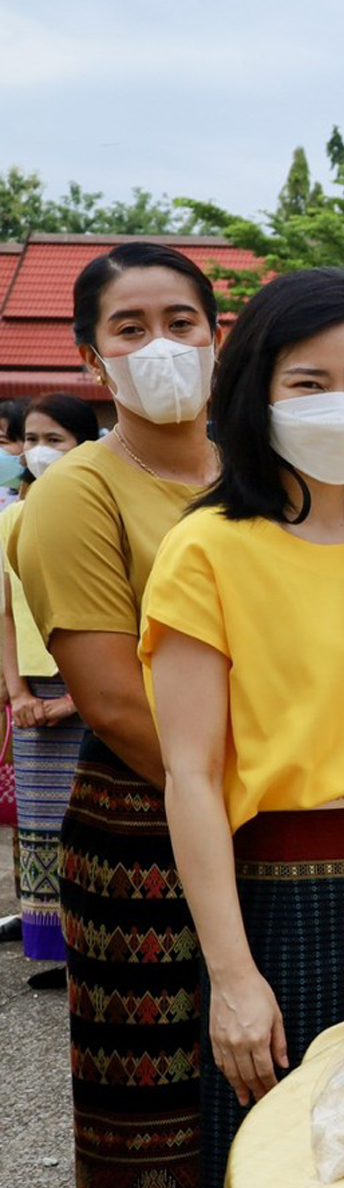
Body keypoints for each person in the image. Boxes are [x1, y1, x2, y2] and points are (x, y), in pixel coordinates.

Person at [140, 267, 344, 1188]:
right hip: (281, 900)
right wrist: (233, 976)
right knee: (281, 1175)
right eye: (307, 380)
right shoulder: (209, 551)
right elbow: (190, 776)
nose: (342, 405)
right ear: (254, 394)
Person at [11, 240, 225, 1188]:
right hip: (145, 829)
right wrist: (244, 801)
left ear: (216, 336)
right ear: (90, 354)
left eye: (181, 322)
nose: (161, 346)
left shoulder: (258, 466)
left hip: (259, 809)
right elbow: (110, 697)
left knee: (257, 1089)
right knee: (149, 1106)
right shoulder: (79, 494)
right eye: (131, 328)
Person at [2, 393, 99, 985]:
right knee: (39, 827)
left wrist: (76, 700)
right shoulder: (12, 518)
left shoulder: (95, 514)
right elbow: (6, 612)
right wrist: (18, 693)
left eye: (54, 440)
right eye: (30, 440)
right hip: (35, 689)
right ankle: (56, 949)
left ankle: (93, 945)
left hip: (90, 687)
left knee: (85, 825)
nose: (38, 452)